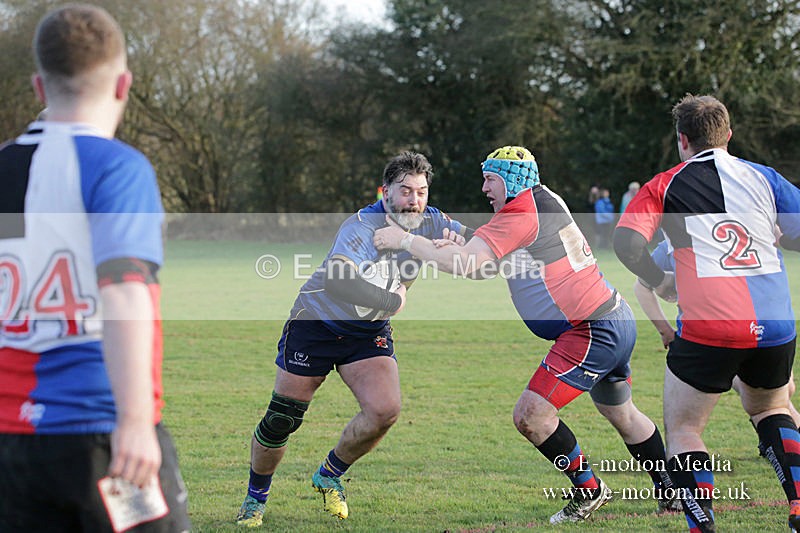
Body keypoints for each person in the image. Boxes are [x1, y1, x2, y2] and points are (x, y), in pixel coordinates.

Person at [373, 145, 677, 524]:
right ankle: (673, 492)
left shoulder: (520, 212)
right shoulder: (543, 199)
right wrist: (459, 246)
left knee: (531, 416)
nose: (484, 188)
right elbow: (502, 260)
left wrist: (405, 241)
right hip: (612, 319)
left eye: (490, 179)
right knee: (623, 413)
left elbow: (470, 266)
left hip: (589, 330)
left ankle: (589, 490)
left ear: (509, 181)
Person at [0, 5, 189, 532]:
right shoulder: (117, 167)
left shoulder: (5, 170)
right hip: (102, 435)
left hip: (12, 447)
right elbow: (124, 290)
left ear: (39, 86)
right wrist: (134, 422)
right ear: (123, 84)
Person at [236, 151, 467, 527]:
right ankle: (255, 499)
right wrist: (393, 301)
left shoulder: (432, 220)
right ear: (386, 191)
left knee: (384, 410)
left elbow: (479, 247)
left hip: (366, 333)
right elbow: (339, 280)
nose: (415, 200)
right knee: (282, 419)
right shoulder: (361, 226)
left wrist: (492, 241)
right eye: (406, 191)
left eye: (421, 191)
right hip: (317, 325)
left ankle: (329, 474)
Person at [615, 94, 800, 532]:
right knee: (772, 408)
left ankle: (703, 526)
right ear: (729, 135)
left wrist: (660, 283)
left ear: (682, 140)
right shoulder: (764, 177)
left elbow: (626, 244)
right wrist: (777, 239)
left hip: (710, 325)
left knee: (684, 429)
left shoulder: (664, 183)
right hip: (774, 323)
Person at [633, 241, 800, 452]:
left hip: (723, 334)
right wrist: (665, 330)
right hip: (766, 329)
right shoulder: (673, 245)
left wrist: (665, 331)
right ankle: (775, 441)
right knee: (774, 404)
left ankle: (774, 440)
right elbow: (642, 286)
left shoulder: (674, 242)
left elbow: (640, 285)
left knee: (685, 429)